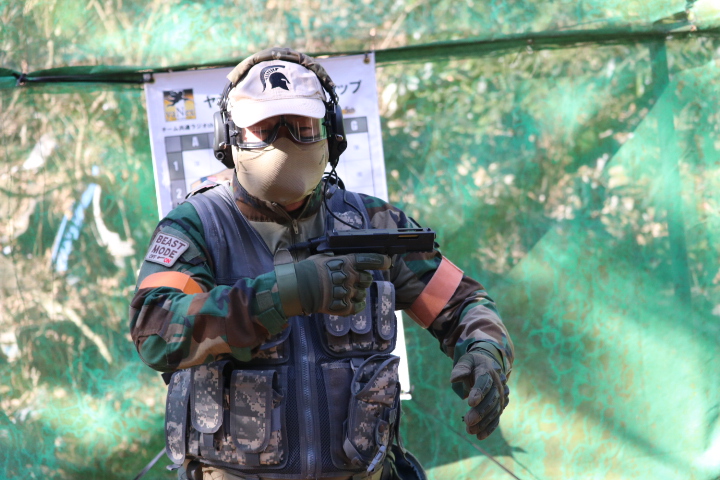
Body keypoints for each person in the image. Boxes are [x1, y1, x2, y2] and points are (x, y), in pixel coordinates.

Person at [129, 47, 514, 480]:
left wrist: (486, 352)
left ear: (332, 134)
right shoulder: (199, 226)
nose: (283, 142)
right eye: (264, 129)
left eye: (302, 127)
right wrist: (280, 296)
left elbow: (462, 303)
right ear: (229, 138)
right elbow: (155, 330)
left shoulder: (372, 223)